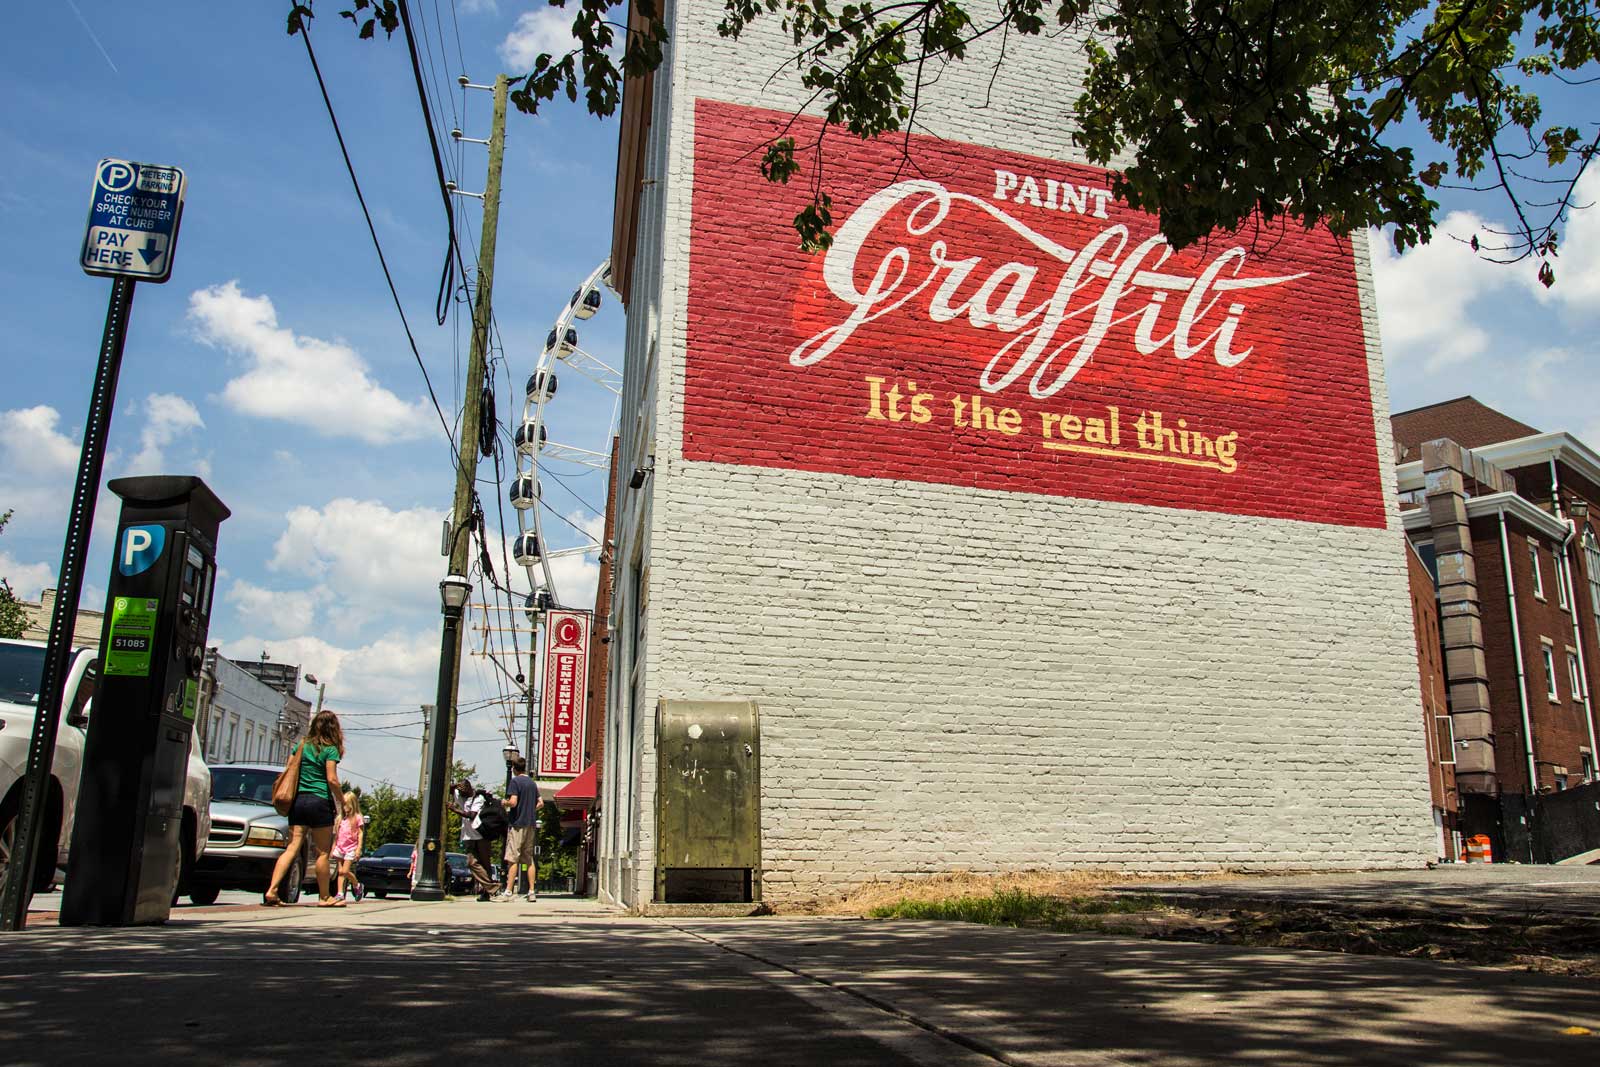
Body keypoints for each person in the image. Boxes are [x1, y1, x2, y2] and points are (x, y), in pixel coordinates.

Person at [266, 710, 345, 907]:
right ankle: (324, 897)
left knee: (292, 847)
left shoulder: (302, 745)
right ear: (334, 728)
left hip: (299, 801)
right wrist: (342, 800)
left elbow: (290, 768)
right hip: (319, 802)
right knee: (322, 852)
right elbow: (332, 779)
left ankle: (272, 890)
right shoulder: (330, 749)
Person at [496, 757, 540, 902]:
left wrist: (504, 802)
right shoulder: (532, 784)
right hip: (531, 824)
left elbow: (513, 802)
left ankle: (508, 892)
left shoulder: (515, 782)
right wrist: (530, 810)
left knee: (512, 858)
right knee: (529, 859)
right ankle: (532, 891)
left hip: (517, 823)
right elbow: (540, 803)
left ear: (514, 769)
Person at [449, 779, 497, 901]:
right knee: (471, 863)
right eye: (460, 791)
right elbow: (449, 789)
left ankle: (487, 892)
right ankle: (491, 887)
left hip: (481, 835)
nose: (461, 794)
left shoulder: (478, 798)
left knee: (485, 863)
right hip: (469, 836)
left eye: (463, 791)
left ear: (469, 788)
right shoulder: (461, 796)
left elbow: (472, 815)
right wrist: (455, 785)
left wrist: (455, 810)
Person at [331, 790, 365, 903]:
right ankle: (340, 892)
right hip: (340, 847)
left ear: (352, 804)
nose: (344, 807)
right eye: (343, 804)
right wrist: (333, 848)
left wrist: (358, 849)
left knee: (345, 871)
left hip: (351, 847)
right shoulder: (340, 818)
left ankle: (357, 885)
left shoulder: (357, 817)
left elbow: (360, 833)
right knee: (340, 871)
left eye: (346, 804)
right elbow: (336, 835)